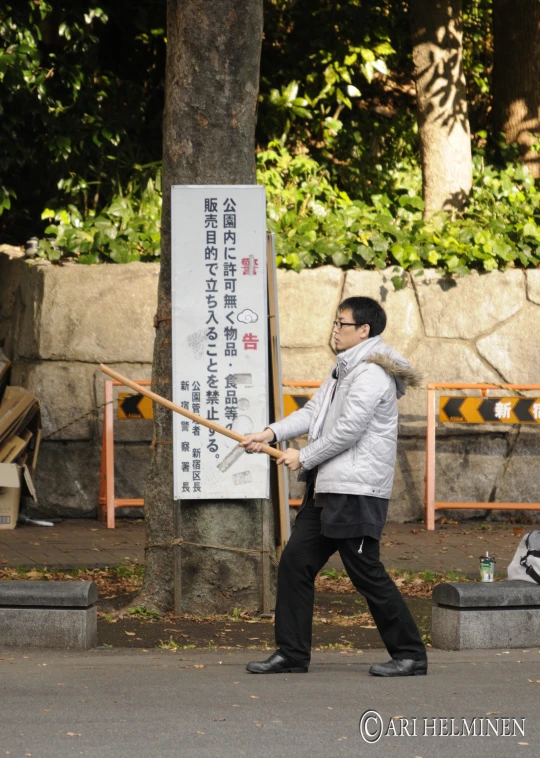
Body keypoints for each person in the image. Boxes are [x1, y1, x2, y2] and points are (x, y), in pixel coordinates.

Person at [240, 296, 427, 677]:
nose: (335, 331)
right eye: (336, 323)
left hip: (356, 493)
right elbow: (313, 413)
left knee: (365, 572)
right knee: (295, 563)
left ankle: (410, 654)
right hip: (328, 489)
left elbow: (348, 430)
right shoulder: (344, 368)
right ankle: (292, 654)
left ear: (364, 330)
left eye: (342, 324)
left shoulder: (372, 373)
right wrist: (270, 433)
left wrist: (303, 457)